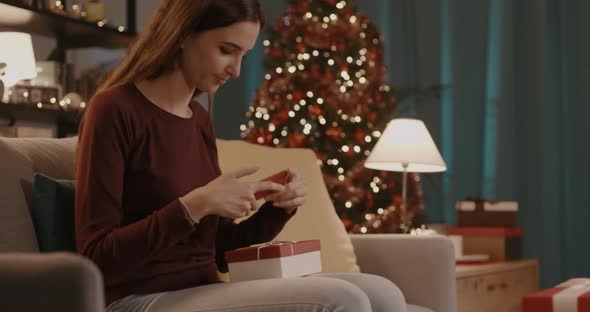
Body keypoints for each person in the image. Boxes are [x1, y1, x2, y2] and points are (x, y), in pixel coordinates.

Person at [75, 0, 406, 311]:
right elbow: (97, 258)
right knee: (341, 299)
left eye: (243, 55)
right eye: (226, 51)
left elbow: (219, 253)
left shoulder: (198, 120)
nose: (235, 70)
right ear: (183, 35)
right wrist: (195, 206)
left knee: (383, 293)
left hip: (203, 288)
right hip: (137, 298)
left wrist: (277, 209)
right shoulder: (113, 110)